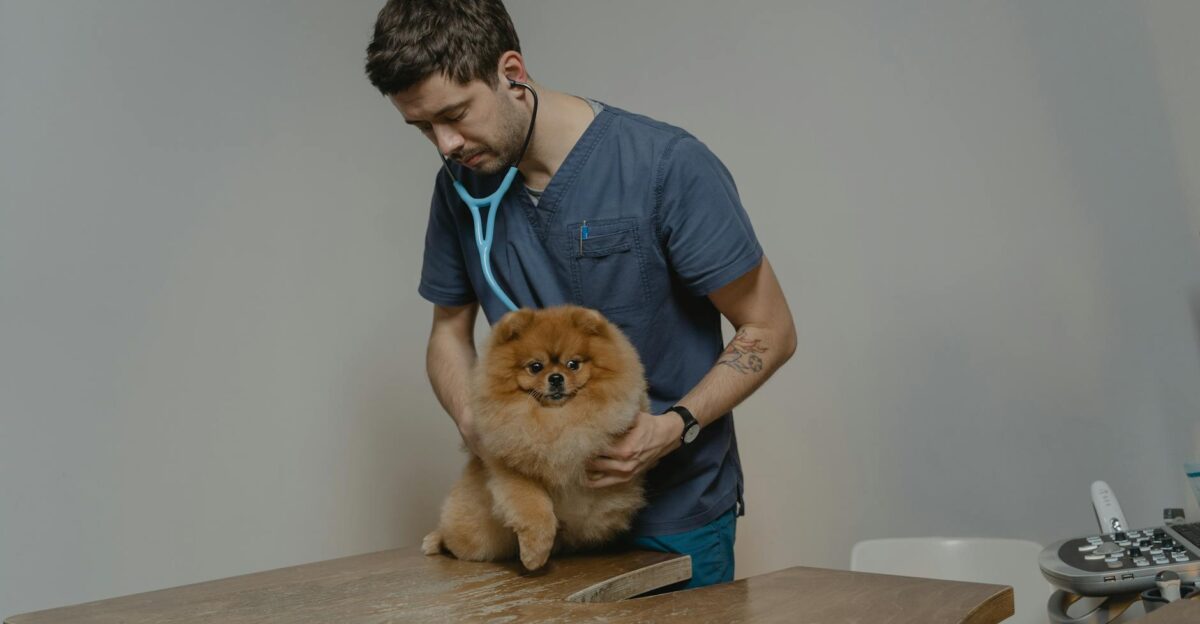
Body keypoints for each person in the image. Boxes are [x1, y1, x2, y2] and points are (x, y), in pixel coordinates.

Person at [364, 0, 796, 588]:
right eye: (422, 128)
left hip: (673, 510)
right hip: (539, 513)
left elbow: (769, 330)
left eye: (455, 114)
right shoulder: (459, 189)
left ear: (512, 73)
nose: (445, 144)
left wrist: (674, 427)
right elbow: (447, 332)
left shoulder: (666, 167)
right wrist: (476, 423)